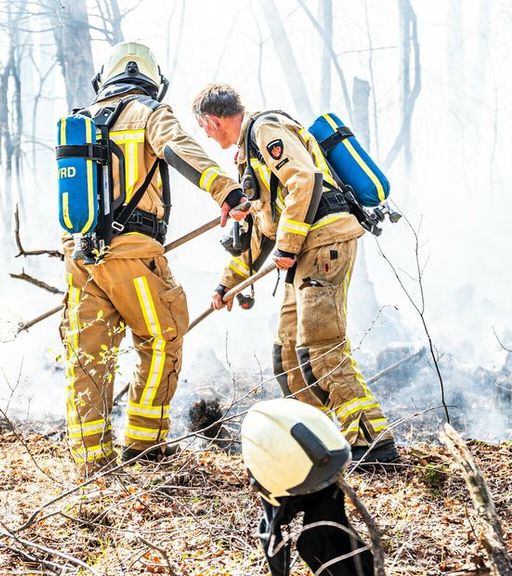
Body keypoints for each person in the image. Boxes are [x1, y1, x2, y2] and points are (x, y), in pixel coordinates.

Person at [59, 44, 248, 477]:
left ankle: (91, 464)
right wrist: (226, 190)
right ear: (151, 79)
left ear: (104, 79)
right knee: (162, 338)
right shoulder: (148, 111)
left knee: (88, 355)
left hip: (79, 258)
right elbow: (179, 149)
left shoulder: (80, 120)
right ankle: (143, 448)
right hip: (133, 254)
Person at [191, 83, 398, 463]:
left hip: (323, 244)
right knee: (287, 357)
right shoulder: (248, 156)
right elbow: (260, 231)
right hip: (304, 251)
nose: (205, 135)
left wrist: (287, 245)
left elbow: (304, 180)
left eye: (204, 128)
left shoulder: (266, 130)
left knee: (321, 348)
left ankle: (374, 444)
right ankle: (319, 444)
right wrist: (227, 284)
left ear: (213, 120)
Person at [242, 398, 375, 575]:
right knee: (321, 530)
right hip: (289, 471)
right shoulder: (271, 462)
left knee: (324, 527)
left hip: (312, 463)